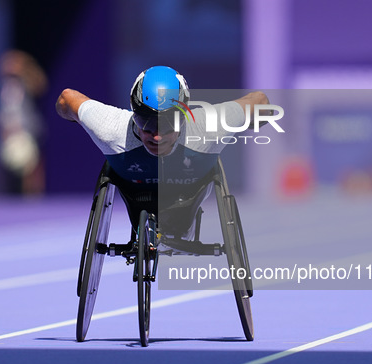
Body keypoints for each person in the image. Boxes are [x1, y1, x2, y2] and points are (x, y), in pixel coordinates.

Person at [56, 65, 268, 238]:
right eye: (145, 122)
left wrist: (256, 120)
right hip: (135, 193)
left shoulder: (208, 127)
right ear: (133, 112)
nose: (156, 135)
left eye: (168, 124)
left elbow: (259, 101)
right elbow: (66, 98)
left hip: (188, 196)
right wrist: (78, 119)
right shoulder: (111, 128)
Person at [0, 50, 48, 195]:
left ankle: (34, 196)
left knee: (33, 166)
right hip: (13, 132)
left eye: (12, 62)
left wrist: (27, 65)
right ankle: (22, 196)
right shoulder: (5, 86)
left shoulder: (25, 81)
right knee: (18, 164)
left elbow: (41, 84)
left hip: (28, 129)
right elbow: (4, 112)